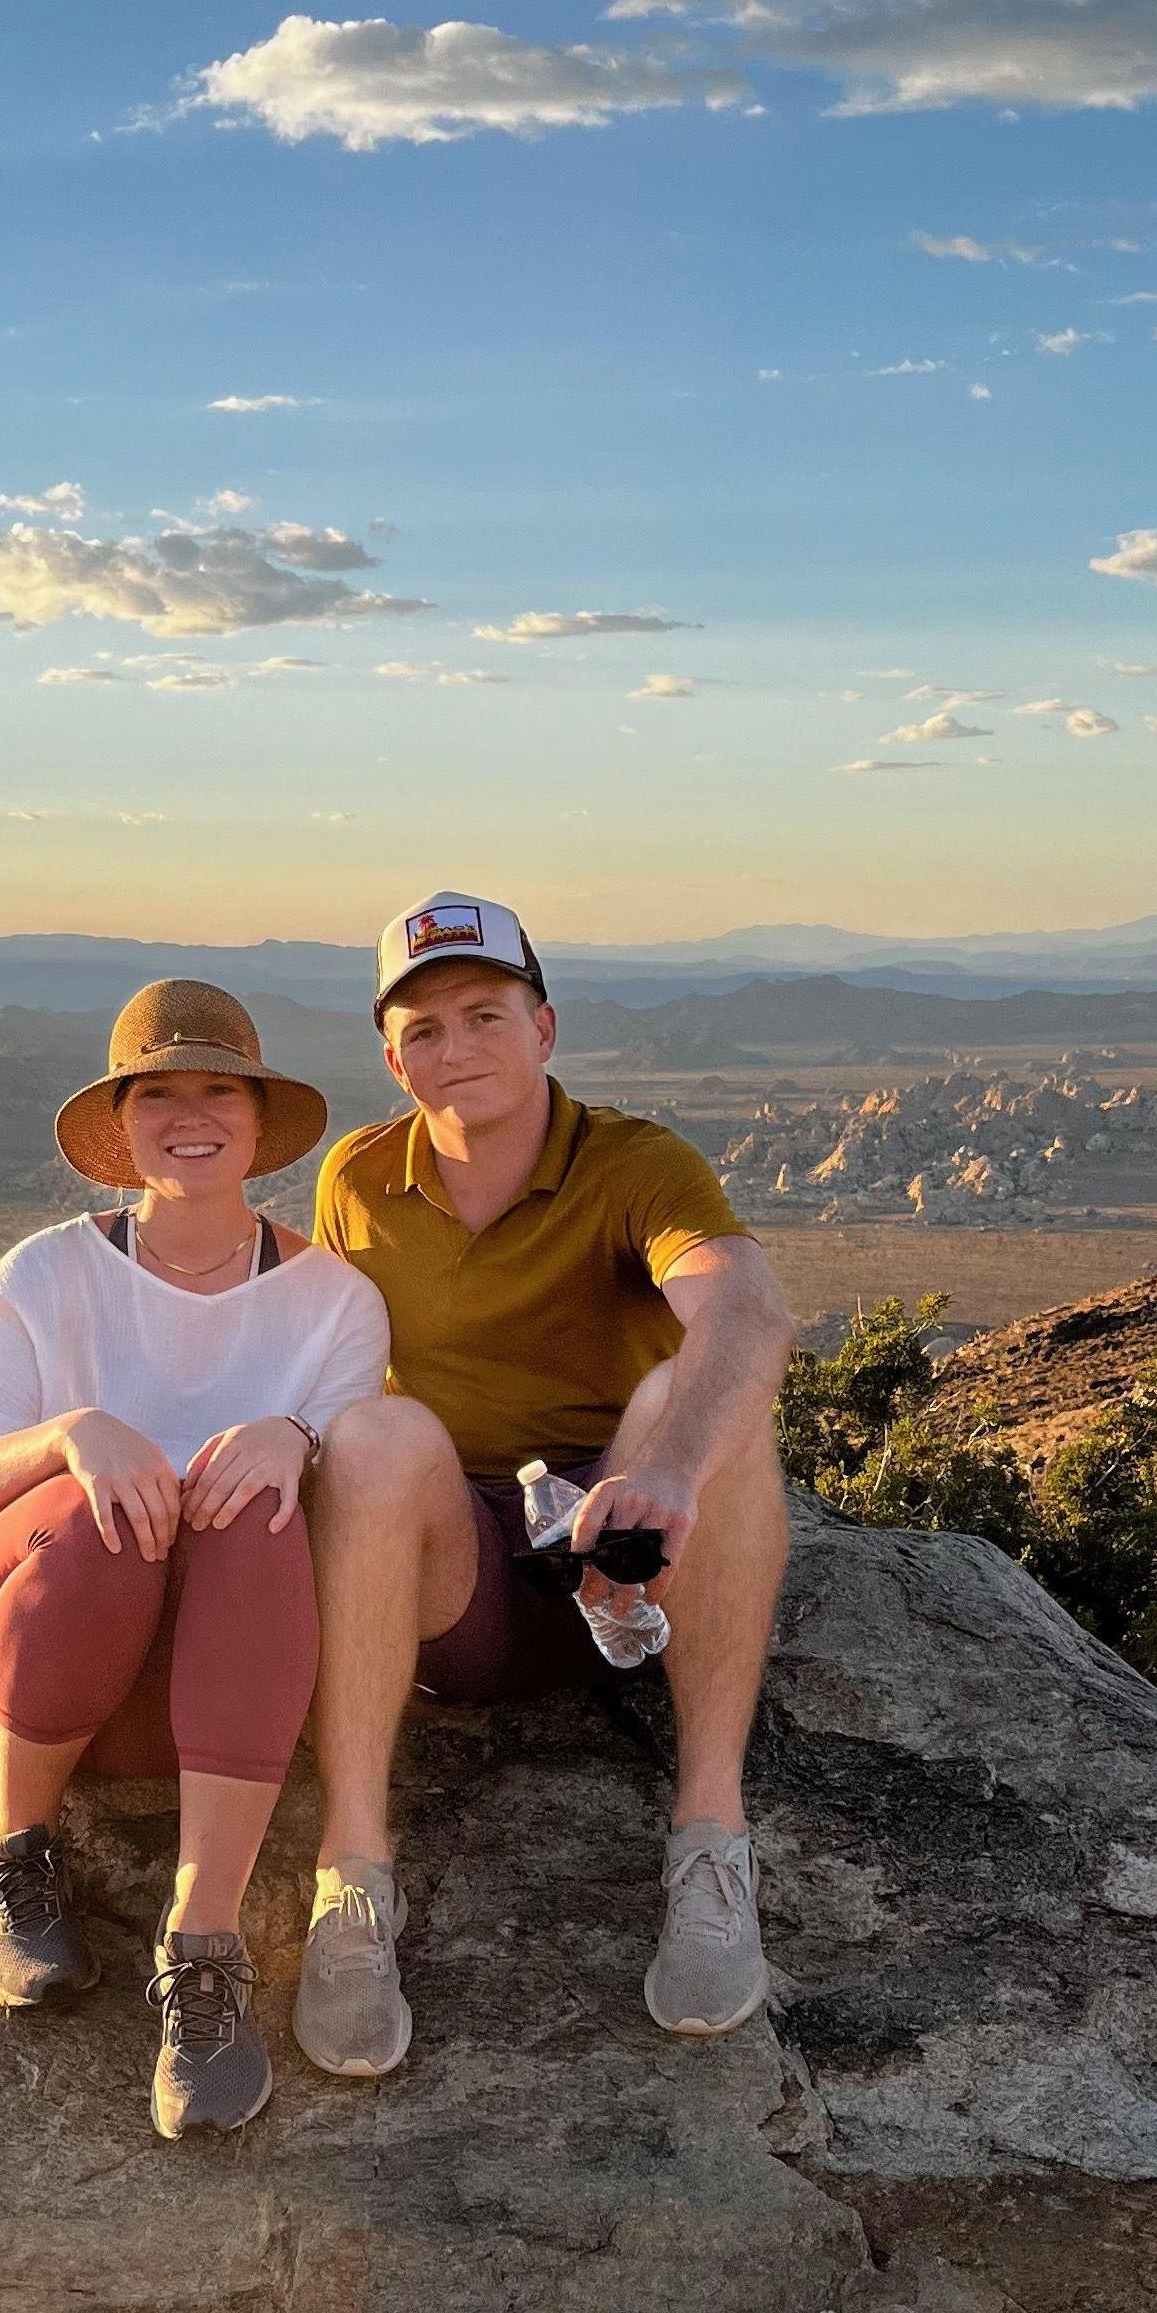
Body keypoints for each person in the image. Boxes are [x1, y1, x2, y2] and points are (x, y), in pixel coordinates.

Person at [293, 891, 798, 2081]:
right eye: (424, 1029)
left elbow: (746, 1310)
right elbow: (318, 1360)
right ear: (392, 1059)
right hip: (455, 1580)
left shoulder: (635, 1165)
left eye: (485, 1015)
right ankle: (351, 1878)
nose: (456, 1047)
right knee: (375, 1435)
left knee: (698, 1399)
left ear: (545, 1029)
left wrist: (666, 1477)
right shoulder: (356, 1180)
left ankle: (711, 1839)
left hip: (631, 1567)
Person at [0, 979, 388, 2138]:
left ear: (259, 1118)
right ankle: (17, 1848)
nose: (191, 1115)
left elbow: (353, 1523)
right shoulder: (45, 1275)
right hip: (16, 1667)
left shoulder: (336, 1305)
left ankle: (203, 1948)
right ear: (121, 1126)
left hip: (205, 1713)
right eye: (158, 1093)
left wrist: (297, 1437)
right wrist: (71, 1436)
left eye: (219, 1089)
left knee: (257, 1510)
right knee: (104, 1511)